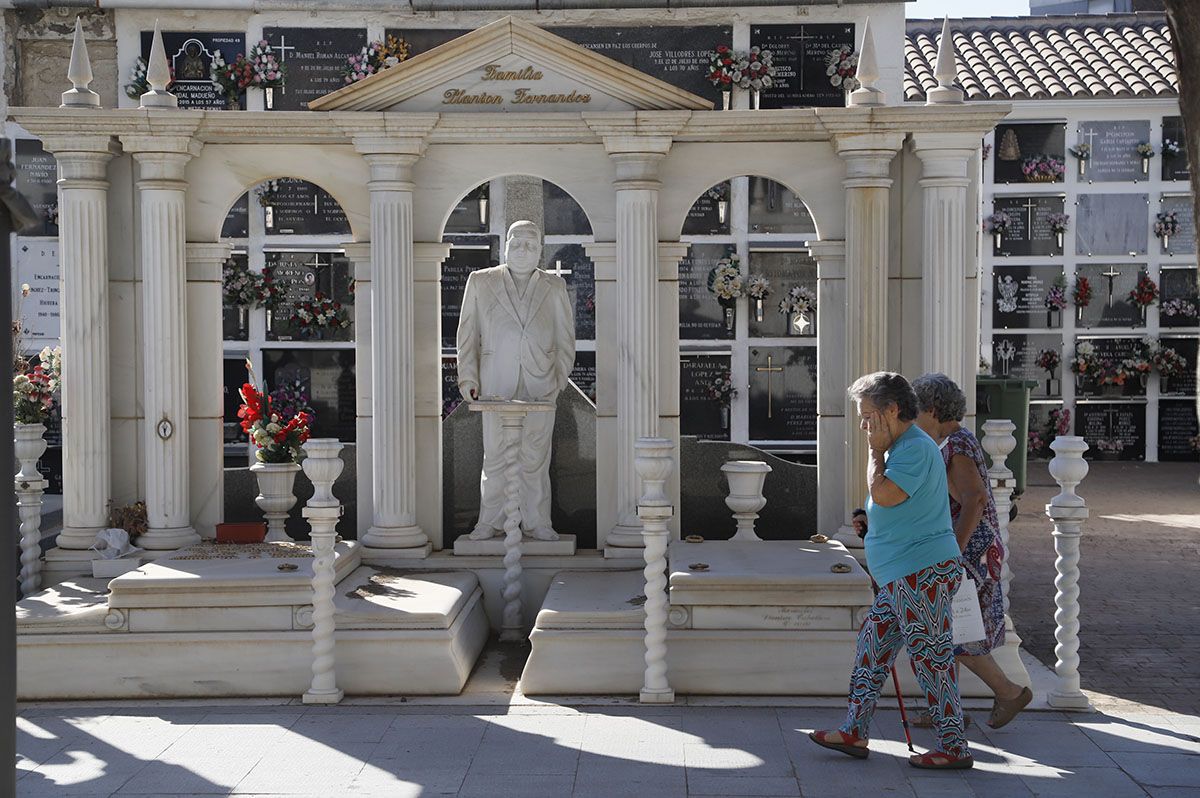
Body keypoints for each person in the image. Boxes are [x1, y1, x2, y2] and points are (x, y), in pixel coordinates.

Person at [810, 371, 972, 770]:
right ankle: (855, 730)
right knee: (872, 648)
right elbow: (890, 505)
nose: (864, 425)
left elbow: (885, 492)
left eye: (868, 416)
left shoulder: (911, 448)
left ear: (892, 410)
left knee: (931, 658)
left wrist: (874, 453)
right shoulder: (903, 448)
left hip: (921, 571)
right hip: (904, 574)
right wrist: (871, 521)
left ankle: (954, 748)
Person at [913, 372, 1033, 729]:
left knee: (955, 632)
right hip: (967, 551)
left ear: (932, 410)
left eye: (916, 409)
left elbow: (975, 500)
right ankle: (945, 710)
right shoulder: (951, 442)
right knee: (947, 631)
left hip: (969, 553)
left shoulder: (958, 444)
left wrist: (952, 551)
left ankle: (1009, 693)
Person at [456, 220, 575, 541]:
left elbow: (566, 338)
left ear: (540, 250)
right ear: (505, 246)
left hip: (541, 384)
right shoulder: (481, 281)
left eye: (531, 245)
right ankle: (490, 521)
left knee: (536, 456)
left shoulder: (554, 286)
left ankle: (538, 522)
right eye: (517, 244)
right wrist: (467, 377)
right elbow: (468, 333)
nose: (523, 251)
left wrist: (559, 380)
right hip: (495, 384)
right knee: (494, 455)